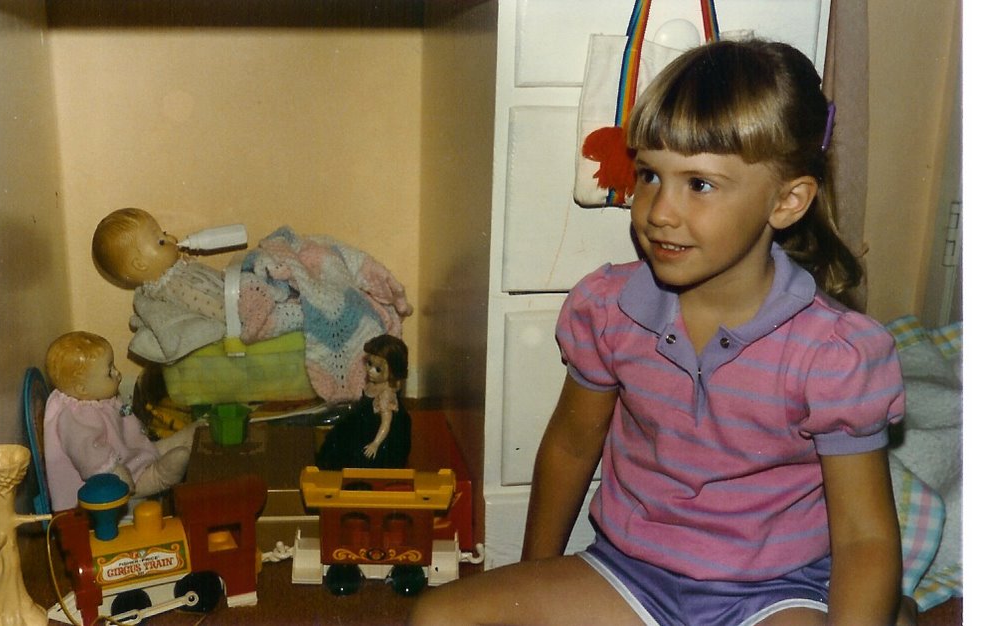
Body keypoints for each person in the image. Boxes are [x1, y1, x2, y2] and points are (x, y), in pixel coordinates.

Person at [410, 39, 905, 625]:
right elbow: (571, 445)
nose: (659, 212)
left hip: (775, 591)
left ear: (787, 201)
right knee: (438, 617)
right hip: (631, 574)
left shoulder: (834, 354)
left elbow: (864, 536)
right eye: (649, 175)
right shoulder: (609, 309)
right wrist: (534, 578)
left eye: (699, 184)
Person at [43, 331, 202, 510]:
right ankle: (157, 475)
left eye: (114, 366)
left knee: (150, 449)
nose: (117, 373)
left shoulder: (97, 397)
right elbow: (87, 453)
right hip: (113, 480)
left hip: (126, 454)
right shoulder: (75, 416)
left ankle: (166, 447)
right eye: (109, 372)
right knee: (170, 464)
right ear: (82, 389)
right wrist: (115, 472)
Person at [92, 207, 227, 363]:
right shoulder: (173, 286)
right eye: (161, 242)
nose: (172, 238)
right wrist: (236, 317)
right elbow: (209, 305)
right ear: (140, 264)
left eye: (164, 233)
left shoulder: (175, 274)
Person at [316, 334, 412, 470]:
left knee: (361, 457)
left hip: (378, 431)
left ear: (393, 372)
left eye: (378, 369)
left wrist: (375, 443)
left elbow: (386, 424)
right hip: (363, 422)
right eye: (369, 364)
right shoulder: (373, 384)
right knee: (337, 438)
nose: (371, 371)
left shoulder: (386, 395)